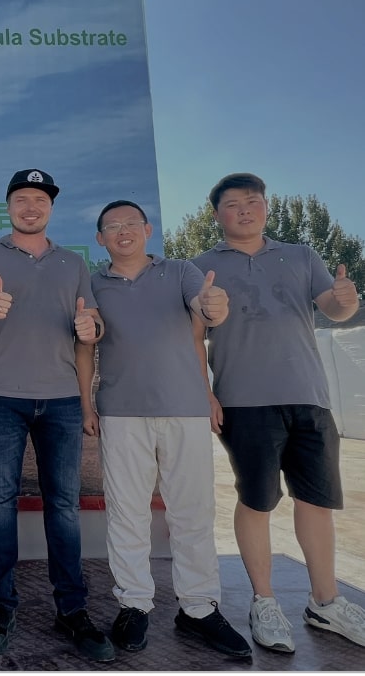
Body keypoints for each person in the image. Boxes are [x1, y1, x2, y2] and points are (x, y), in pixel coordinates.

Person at [193, 172, 365, 653]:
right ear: (216, 214)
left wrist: (345, 300)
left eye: (254, 202)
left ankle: (325, 602)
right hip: (244, 402)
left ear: (266, 207)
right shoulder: (200, 266)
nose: (245, 210)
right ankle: (264, 601)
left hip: (310, 397)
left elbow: (333, 306)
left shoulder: (301, 255)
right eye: (233, 204)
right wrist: (203, 394)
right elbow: (193, 334)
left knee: (316, 502)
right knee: (257, 501)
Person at [0, 169, 113, 660]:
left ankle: (72, 610)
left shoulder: (73, 262)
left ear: (50, 208)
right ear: (8, 206)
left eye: (39, 199)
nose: (30, 206)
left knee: (63, 505)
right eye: (21, 198)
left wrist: (93, 328)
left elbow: (93, 329)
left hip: (62, 400)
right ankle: (1, 604)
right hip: (2, 398)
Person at [85, 200, 250, 658]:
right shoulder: (94, 282)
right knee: (127, 514)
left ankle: (198, 607)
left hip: (184, 410)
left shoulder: (181, 272)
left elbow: (206, 311)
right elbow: (87, 341)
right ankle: (134, 604)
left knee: (192, 512)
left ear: (147, 230)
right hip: (120, 412)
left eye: (130, 224)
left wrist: (213, 305)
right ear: (100, 238)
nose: (122, 232)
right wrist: (86, 403)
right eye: (111, 226)